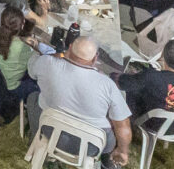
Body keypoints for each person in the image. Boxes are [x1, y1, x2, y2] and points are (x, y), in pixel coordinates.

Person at [27, 36, 131, 166]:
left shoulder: (47, 63)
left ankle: (36, 141)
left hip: (50, 131)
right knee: (112, 132)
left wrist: (52, 54)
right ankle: (109, 163)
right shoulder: (108, 85)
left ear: (69, 48)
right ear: (95, 58)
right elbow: (123, 126)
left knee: (33, 97)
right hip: (91, 147)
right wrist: (122, 151)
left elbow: (32, 72)